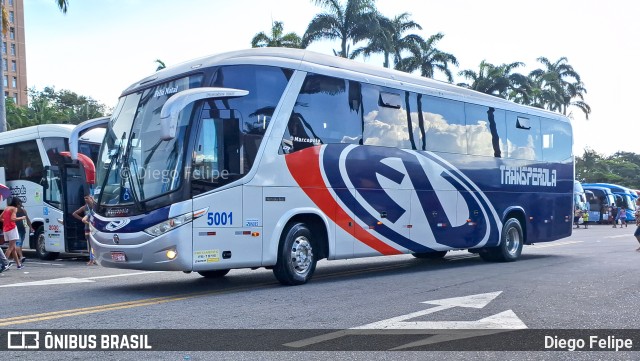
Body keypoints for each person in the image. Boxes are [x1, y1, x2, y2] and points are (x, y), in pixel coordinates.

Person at [1, 197, 27, 270]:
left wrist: (6, 221)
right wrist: (22, 218)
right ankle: (4, 264)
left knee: (13, 248)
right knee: (11, 247)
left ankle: (18, 265)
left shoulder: (7, 208)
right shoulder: (14, 209)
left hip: (5, 229)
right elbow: (13, 219)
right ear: (17, 203)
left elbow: (0, 218)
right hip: (12, 229)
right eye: (20, 203)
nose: (20, 205)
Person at [73, 194, 96, 265]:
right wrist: (82, 220)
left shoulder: (96, 206)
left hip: (95, 227)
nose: (86, 200)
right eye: (85, 198)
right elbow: (74, 214)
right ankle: (91, 259)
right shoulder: (84, 207)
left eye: (87, 198)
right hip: (87, 228)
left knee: (95, 244)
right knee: (90, 244)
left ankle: (94, 259)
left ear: (91, 198)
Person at [15, 199, 33, 264]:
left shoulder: (23, 211)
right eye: (19, 204)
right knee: (18, 243)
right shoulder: (14, 211)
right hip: (15, 230)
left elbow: (27, 219)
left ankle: (16, 257)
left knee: (20, 244)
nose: (20, 206)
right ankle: (21, 257)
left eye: (21, 204)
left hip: (22, 230)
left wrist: (31, 227)